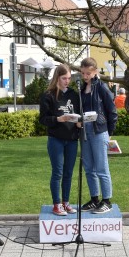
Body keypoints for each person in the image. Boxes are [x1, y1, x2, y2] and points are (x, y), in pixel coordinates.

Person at [39, 64, 82, 216]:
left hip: (72, 139)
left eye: (69, 78)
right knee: (57, 172)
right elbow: (42, 119)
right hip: (56, 139)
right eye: (64, 78)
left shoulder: (74, 95)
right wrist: (58, 119)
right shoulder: (48, 95)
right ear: (57, 77)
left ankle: (65, 202)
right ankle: (56, 204)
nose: (67, 81)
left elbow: (79, 114)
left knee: (68, 172)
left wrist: (79, 122)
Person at [79, 58, 118, 214]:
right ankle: (94, 199)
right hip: (85, 131)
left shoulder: (101, 87)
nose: (85, 76)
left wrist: (109, 133)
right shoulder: (82, 88)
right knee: (89, 168)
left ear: (95, 71)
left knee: (101, 167)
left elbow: (112, 111)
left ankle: (107, 200)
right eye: (83, 73)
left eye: (88, 73)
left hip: (99, 131)